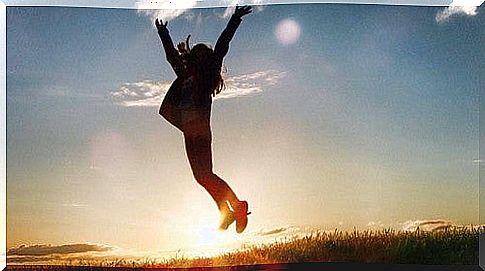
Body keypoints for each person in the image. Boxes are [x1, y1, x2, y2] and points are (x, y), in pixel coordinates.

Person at [156, 5, 252, 233]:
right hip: (189, 132)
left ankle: (236, 206)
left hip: (199, 131)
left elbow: (222, 47)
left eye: (202, 53)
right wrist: (163, 34)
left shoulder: (208, 76)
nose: (198, 55)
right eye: (195, 53)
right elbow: (172, 58)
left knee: (205, 174)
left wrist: (235, 19)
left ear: (206, 58)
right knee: (201, 177)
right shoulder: (185, 75)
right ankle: (227, 210)